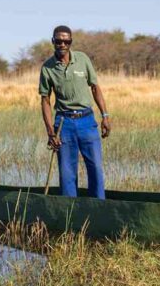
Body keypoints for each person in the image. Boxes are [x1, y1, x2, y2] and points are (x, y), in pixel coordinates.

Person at [39, 25, 111, 198]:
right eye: (58, 41)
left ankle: (99, 207)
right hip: (64, 123)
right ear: (53, 42)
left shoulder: (82, 59)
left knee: (95, 168)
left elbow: (95, 88)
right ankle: (71, 212)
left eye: (66, 41)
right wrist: (51, 132)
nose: (62, 44)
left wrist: (105, 116)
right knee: (67, 173)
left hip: (87, 121)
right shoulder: (47, 68)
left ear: (70, 42)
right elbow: (45, 100)